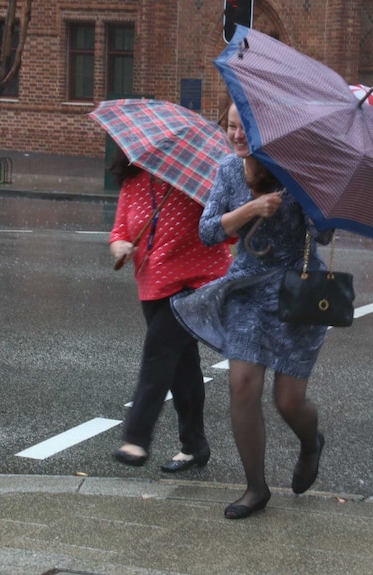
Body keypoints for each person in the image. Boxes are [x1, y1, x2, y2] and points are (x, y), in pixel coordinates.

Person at [172, 103, 332, 520]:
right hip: (247, 289)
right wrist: (251, 209)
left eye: (245, 127)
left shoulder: (294, 169)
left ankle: (311, 443)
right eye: (231, 126)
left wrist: (314, 196)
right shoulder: (227, 171)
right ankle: (255, 488)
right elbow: (208, 231)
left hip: (299, 290)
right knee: (242, 385)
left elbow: (326, 234)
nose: (237, 134)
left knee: (288, 401)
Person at [109, 148, 232, 472]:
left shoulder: (201, 182)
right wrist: (121, 246)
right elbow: (119, 230)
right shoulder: (133, 181)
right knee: (183, 371)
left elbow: (227, 233)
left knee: (158, 354)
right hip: (153, 285)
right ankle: (194, 446)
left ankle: (136, 438)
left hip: (197, 283)